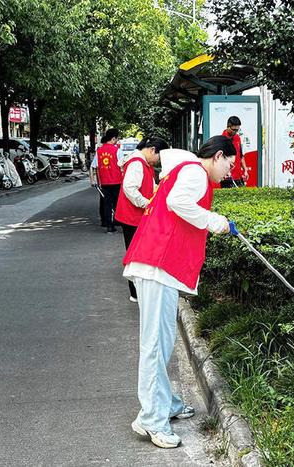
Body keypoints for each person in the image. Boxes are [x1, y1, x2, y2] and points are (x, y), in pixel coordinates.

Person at [123, 135, 236, 449]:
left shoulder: (185, 170)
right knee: (155, 345)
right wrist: (215, 221)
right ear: (217, 156)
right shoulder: (196, 174)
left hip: (159, 266)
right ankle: (151, 420)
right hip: (157, 264)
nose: (230, 170)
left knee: (163, 342)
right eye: (229, 162)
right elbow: (177, 203)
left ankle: (167, 404)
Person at [115, 136, 169, 303]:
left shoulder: (145, 163)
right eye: (158, 156)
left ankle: (139, 291)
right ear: (152, 150)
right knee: (134, 254)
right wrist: (147, 204)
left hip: (137, 216)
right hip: (132, 216)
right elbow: (130, 188)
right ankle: (136, 293)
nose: (158, 161)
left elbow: (150, 185)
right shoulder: (137, 163)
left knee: (138, 253)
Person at [91, 129, 123, 232]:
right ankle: (116, 221)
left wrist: (93, 180)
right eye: (116, 139)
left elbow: (93, 166)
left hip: (104, 182)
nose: (117, 141)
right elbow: (122, 166)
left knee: (106, 203)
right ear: (113, 138)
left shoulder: (99, 151)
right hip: (116, 181)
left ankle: (108, 224)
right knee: (117, 203)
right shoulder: (117, 150)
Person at [220, 116, 249, 188]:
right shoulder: (221, 140)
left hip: (238, 176)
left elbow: (241, 155)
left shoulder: (237, 137)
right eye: (234, 130)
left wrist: (245, 170)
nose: (235, 132)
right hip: (227, 178)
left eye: (237, 130)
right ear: (228, 127)